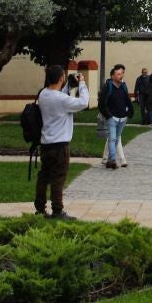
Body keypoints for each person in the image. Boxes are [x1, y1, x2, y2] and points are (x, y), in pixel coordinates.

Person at [35, 63, 90, 218]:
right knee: (58, 178)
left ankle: (39, 208)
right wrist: (82, 83)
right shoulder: (61, 99)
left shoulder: (43, 94)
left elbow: (60, 97)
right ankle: (57, 210)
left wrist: (69, 87)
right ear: (60, 78)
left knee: (44, 176)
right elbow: (84, 102)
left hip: (46, 143)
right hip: (60, 145)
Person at [101, 64, 133, 168]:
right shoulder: (108, 87)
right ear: (113, 76)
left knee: (116, 139)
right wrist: (108, 115)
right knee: (112, 139)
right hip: (112, 118)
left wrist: (129, 112)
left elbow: (127, 100)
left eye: (121, 73)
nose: (121, 76)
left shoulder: (123, 86)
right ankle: (113, 160)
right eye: (118, 74)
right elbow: (101, 103)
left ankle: (110, 160)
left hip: (123, 118)